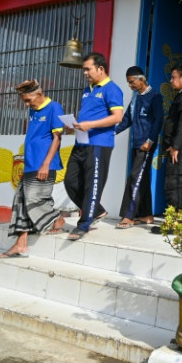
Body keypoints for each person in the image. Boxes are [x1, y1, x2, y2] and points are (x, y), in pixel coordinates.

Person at [0, 80, 66, 258]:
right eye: (25, 101)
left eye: (29, 100)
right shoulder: (32, 109)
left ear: (39, 93)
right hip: (30, 162)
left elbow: (57, 139)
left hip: (44, 163)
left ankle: (57, 219)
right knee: (20, 199)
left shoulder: (55, 108)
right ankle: (21, 244)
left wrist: (45, 164)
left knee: (34, 198)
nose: (27, 105)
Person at [64, 52, 124, 241]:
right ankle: (96, 210)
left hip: (99, 143)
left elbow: (117, 117)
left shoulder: (112, 89)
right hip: (81, 141)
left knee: (92, 184)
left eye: (87, 69)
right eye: (84, 69)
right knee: (70, 180)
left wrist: (90, 125)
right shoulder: (88, 89)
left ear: (100, 69)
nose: (85, 73)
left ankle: (83, 224)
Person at [151, 63, 182, 234]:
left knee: (176, 185)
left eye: (173, 77)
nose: (171, 81)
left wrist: (176, 147)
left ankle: (175, 225)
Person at [114, 66, 163, 229]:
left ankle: (128, 216)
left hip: (146, 145)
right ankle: (147, 215)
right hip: (136, 144)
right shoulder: (135, 99)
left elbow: (158, 121)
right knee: (142, 179)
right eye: (128, 83)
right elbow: (127, 120)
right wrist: (111, 132)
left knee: (135, 178)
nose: (130, 85)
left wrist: (150, 141)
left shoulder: (154, 96)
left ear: (140, 79)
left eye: (131, 82)